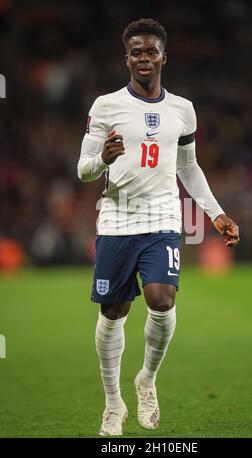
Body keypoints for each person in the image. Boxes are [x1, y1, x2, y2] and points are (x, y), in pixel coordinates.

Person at [77, 18, 239, 436]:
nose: (143, 58)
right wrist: (103, 161)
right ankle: (113, 404)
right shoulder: (106, 106)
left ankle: (146, 379)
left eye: (151, 51)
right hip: (116, 218)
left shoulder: (182, 110)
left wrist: (215, 212)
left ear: (163, 55)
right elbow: (83, 169)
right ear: (126, 58)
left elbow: (189, 167)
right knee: (114, 311)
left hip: (163, 217)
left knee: (162, 299)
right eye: (136, 52)